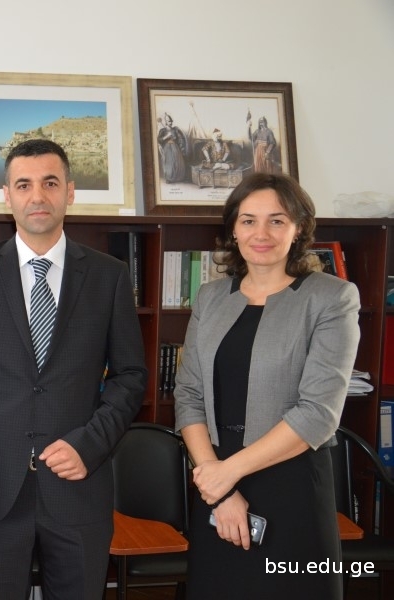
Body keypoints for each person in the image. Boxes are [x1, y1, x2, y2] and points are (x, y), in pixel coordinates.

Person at [0, 139, 148, 599]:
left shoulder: (109, 275)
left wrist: (90, 443)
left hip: (79, 486)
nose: (37, 196)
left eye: (50, 183)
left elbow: (130, 377)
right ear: (7, 196)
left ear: (69, 192)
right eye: (23, 185)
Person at [174, 172, 360, 599]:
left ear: (298, 229)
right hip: (214, 480)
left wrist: (227, 475)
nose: (261, 233)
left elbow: (318, 414)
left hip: (290, 482)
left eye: (277, 220)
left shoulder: (332, 298)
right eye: (248, 221)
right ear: (233, 230)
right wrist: (218, 489)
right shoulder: (211, 297)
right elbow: (188, 397)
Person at [157, 113, 188, 183]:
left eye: (171, 121)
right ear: (166, 122)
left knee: (176, 162)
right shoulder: (163, 130)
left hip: (175, 147)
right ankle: (169, 178)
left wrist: (176, 138)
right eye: (169, 121)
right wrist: (166, 136)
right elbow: (159, 140)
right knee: (169, 162)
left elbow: (180, 139)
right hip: (167, 148)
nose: (170, 122)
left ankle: (176, 178)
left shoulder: (175, 130)